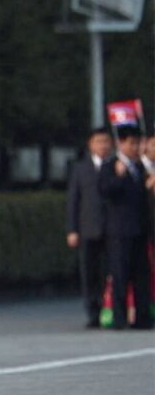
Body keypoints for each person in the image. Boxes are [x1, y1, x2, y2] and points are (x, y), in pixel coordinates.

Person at [98, 126, 152, 330]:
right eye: (132, 143)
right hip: (119, 232)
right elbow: (104, 191)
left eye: (138, 143)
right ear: (121, 143)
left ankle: (142, 317)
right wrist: (119, 177)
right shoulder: (110, 165)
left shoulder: (140, 167)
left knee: (141, 276)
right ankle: (119, 318)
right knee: (120, 275)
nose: (135, 147)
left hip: (139, 230)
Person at [67, 127, 112, 329]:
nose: (102, 145)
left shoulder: (115, 166)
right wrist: (72, 229)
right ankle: (92, 312)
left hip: (111, 230)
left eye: (105, 141)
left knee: (108, 273)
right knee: (89, 273)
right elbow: (73, 201)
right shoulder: (81, 169)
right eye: (98, 141)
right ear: (90, 144)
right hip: (87, 229)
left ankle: (108, 309)